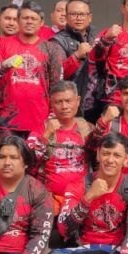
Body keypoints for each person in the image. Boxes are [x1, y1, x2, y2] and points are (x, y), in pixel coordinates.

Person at [0, 1, 62, 137]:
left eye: (33, 18)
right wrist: (3, 66)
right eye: (25, 18)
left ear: (41, 23)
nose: (29, 21)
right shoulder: (1, 45)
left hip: (40, 122)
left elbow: (57, 86)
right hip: (7, 122)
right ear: (18, 20)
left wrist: (53, 116)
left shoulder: (51, 49)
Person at [27, 81, 91, 215]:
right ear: (51, 104)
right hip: (49, 200)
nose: (64, 106)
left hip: (82, 199)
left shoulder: (87, 129)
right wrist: (46, 136)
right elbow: (27, 163)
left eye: (68, 101)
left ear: (78, 101)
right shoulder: (41, 129)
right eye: (58, 102)